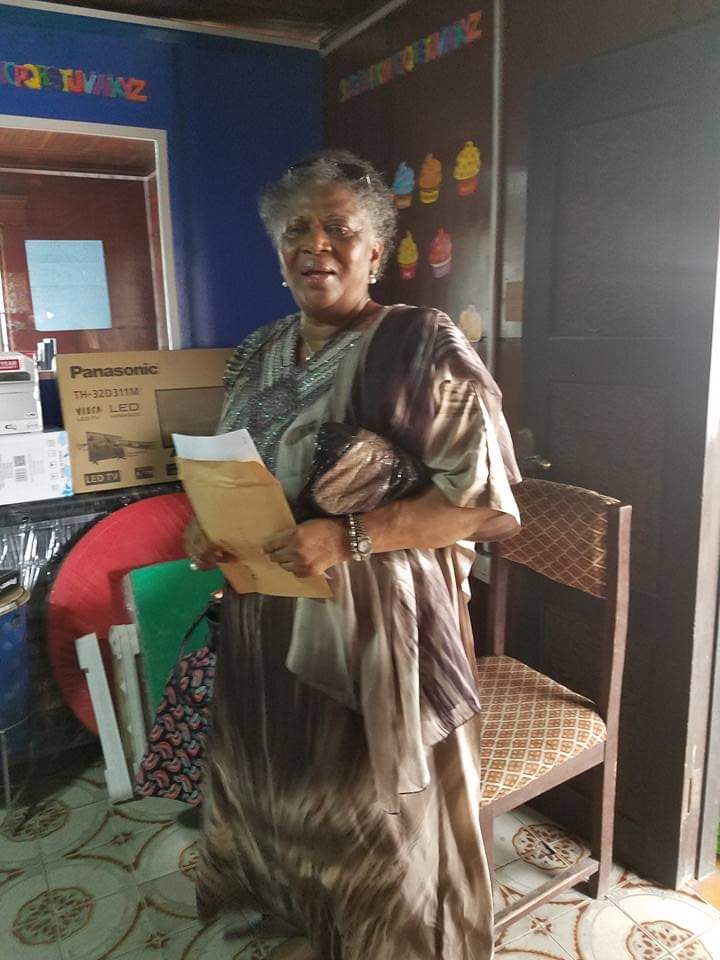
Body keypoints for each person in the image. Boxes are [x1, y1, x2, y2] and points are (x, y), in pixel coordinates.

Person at [184, 149, 521, 960]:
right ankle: (297, 913)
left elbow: (486, 507)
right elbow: (240, 472)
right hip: (266, 617)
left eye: (338, 227)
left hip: (377, 640)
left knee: (372, 816)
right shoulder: (257, 351)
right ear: (278, 253)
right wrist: (209, 527)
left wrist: (350, 535)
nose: (316, 244)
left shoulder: (420, 344)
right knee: (281, 783)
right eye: (296, 229)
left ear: (375, 250)